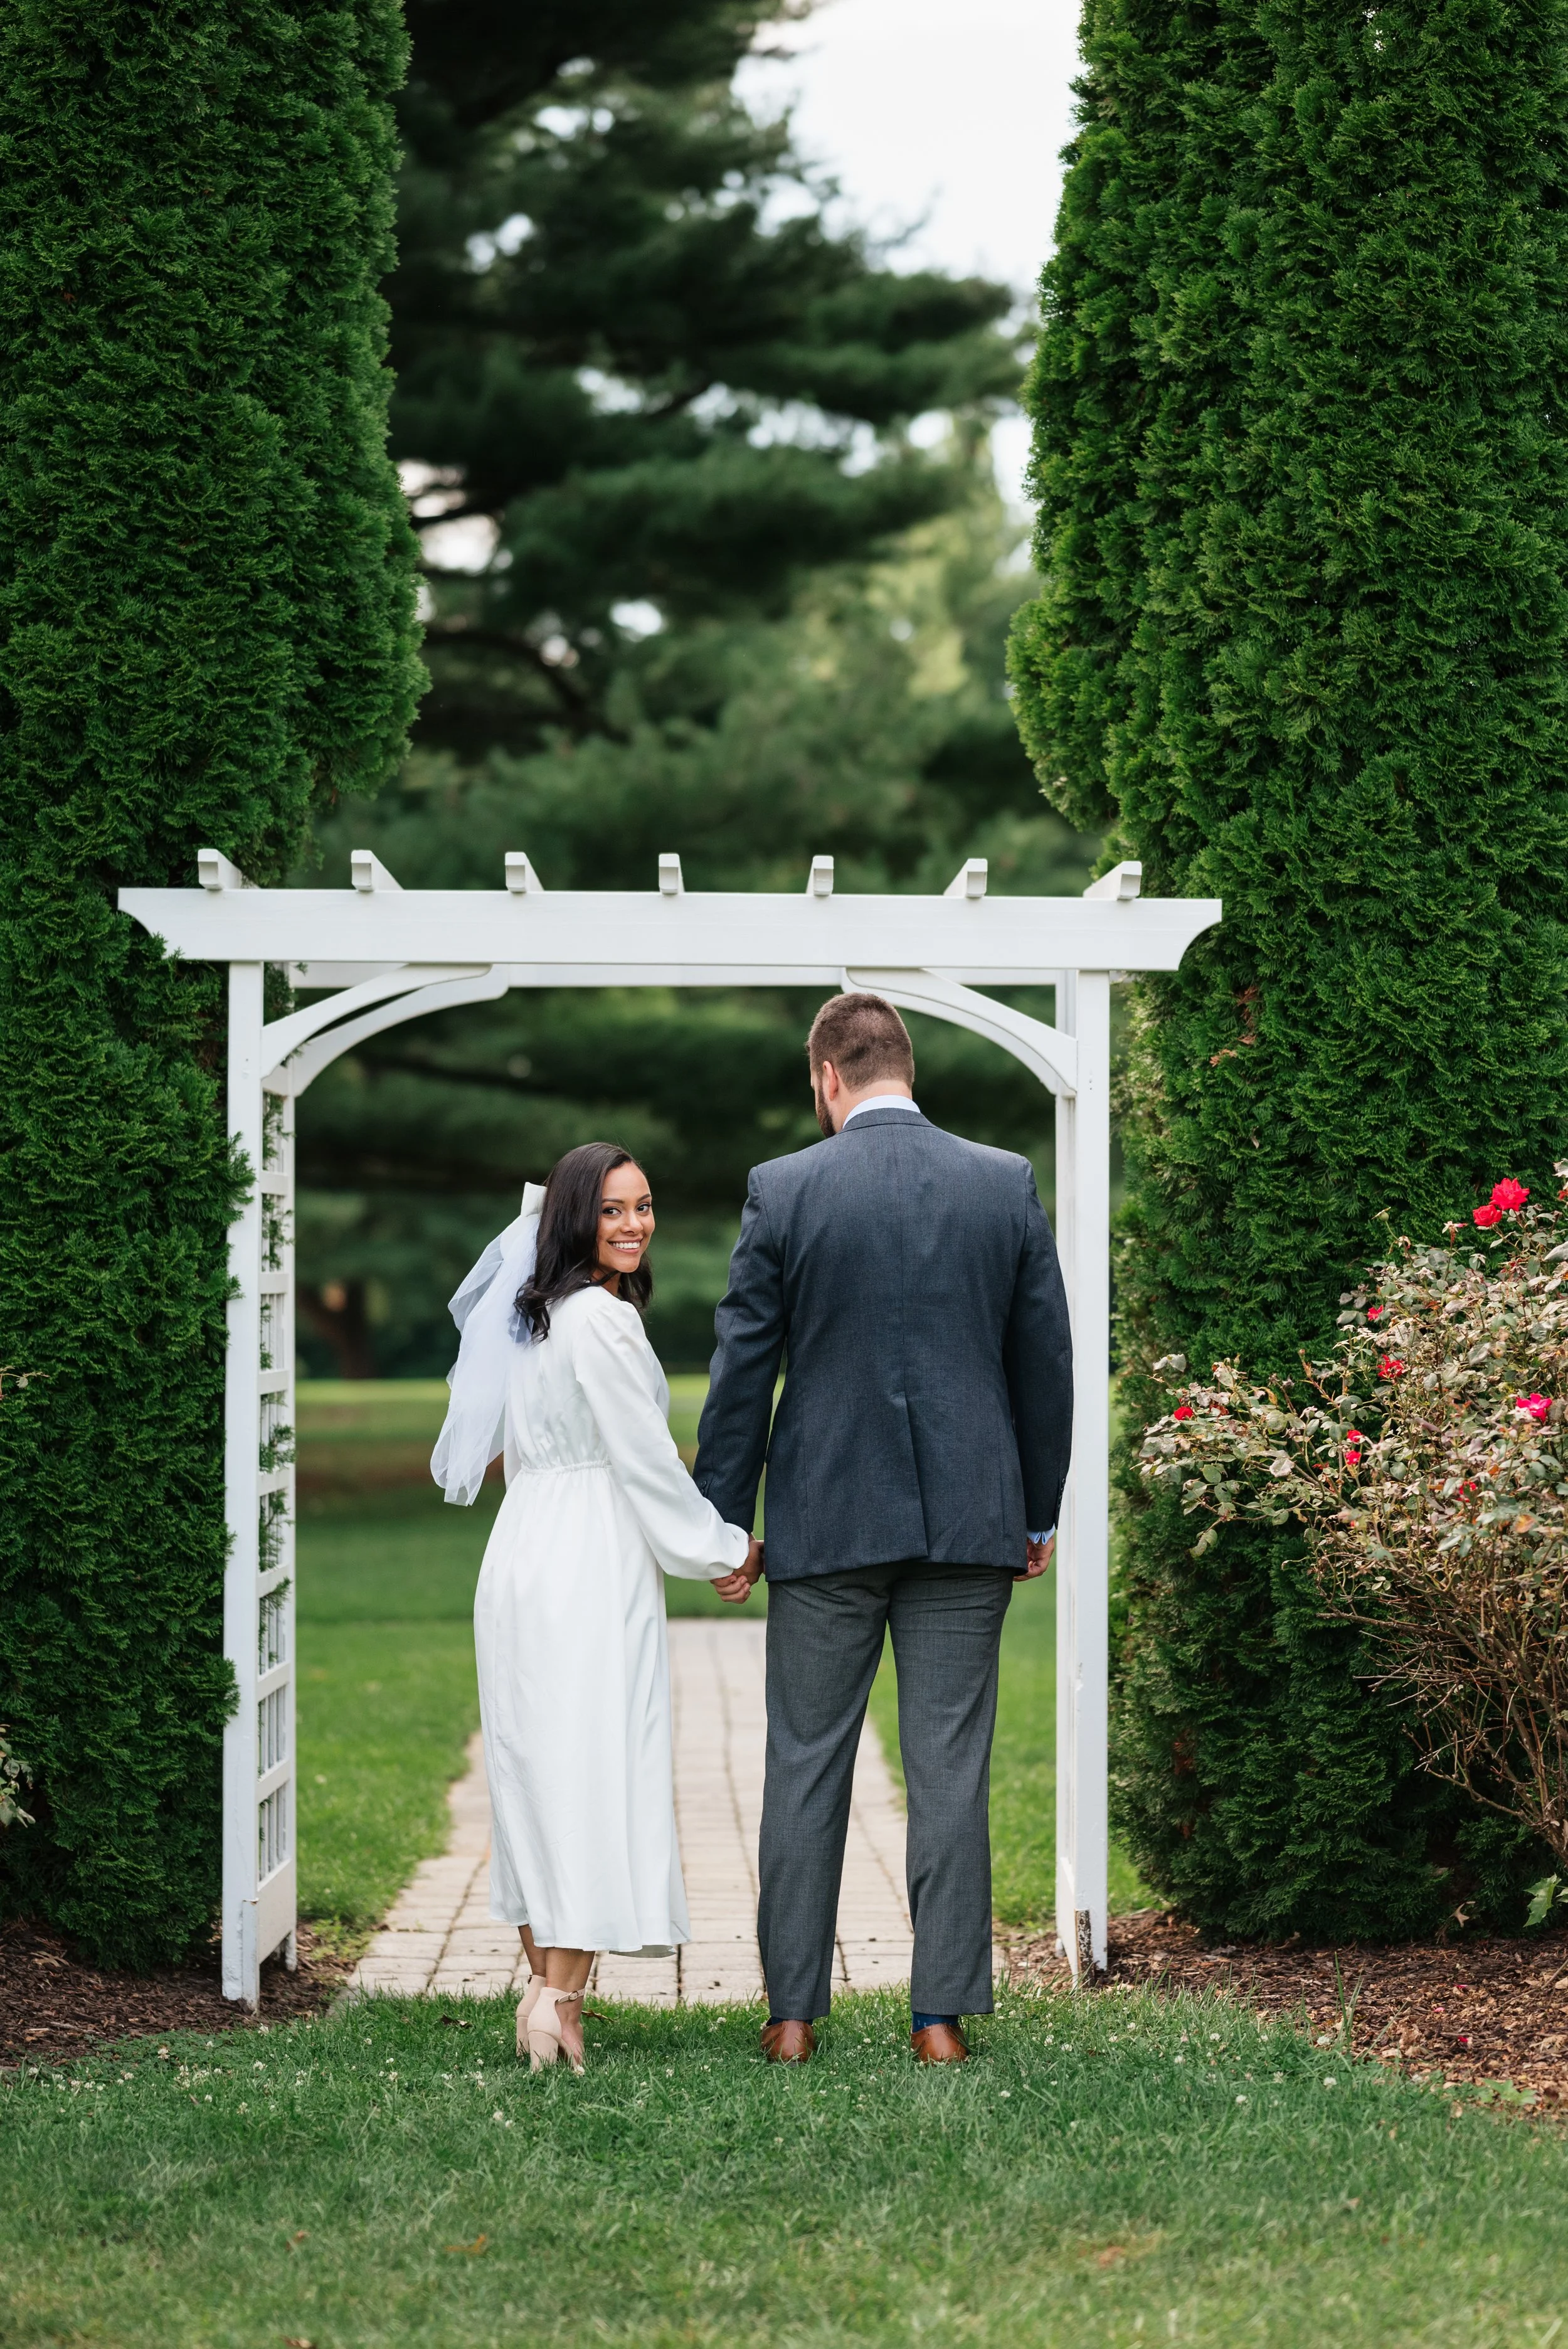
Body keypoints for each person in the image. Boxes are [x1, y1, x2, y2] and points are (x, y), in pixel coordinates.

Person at [694, 991, 1072, 2066]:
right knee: (949, 1763)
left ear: (827, 1078)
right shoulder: (1002, 1182)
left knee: (806, 1760)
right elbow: (1045, 1365)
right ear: (908, 1068)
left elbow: (741, 1376)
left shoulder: (783, 1189)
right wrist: (1035, 1507)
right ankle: (940, 2021)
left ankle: (794, 2019)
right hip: (969, 1520)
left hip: (826, 1518)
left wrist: (728, 1524)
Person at [432, 1142, 758, 2074]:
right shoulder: (603, 1325)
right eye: (613, 1210)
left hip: (522, 1555)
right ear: (577, 1217)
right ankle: (554, 2001)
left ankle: (552, 1999)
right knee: (591, 1774)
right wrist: (726, 1549)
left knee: (539, 1776)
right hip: (586, 1563)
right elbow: (646, 1460)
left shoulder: (536, 1321)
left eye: (644, 1206)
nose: (634, 1225)